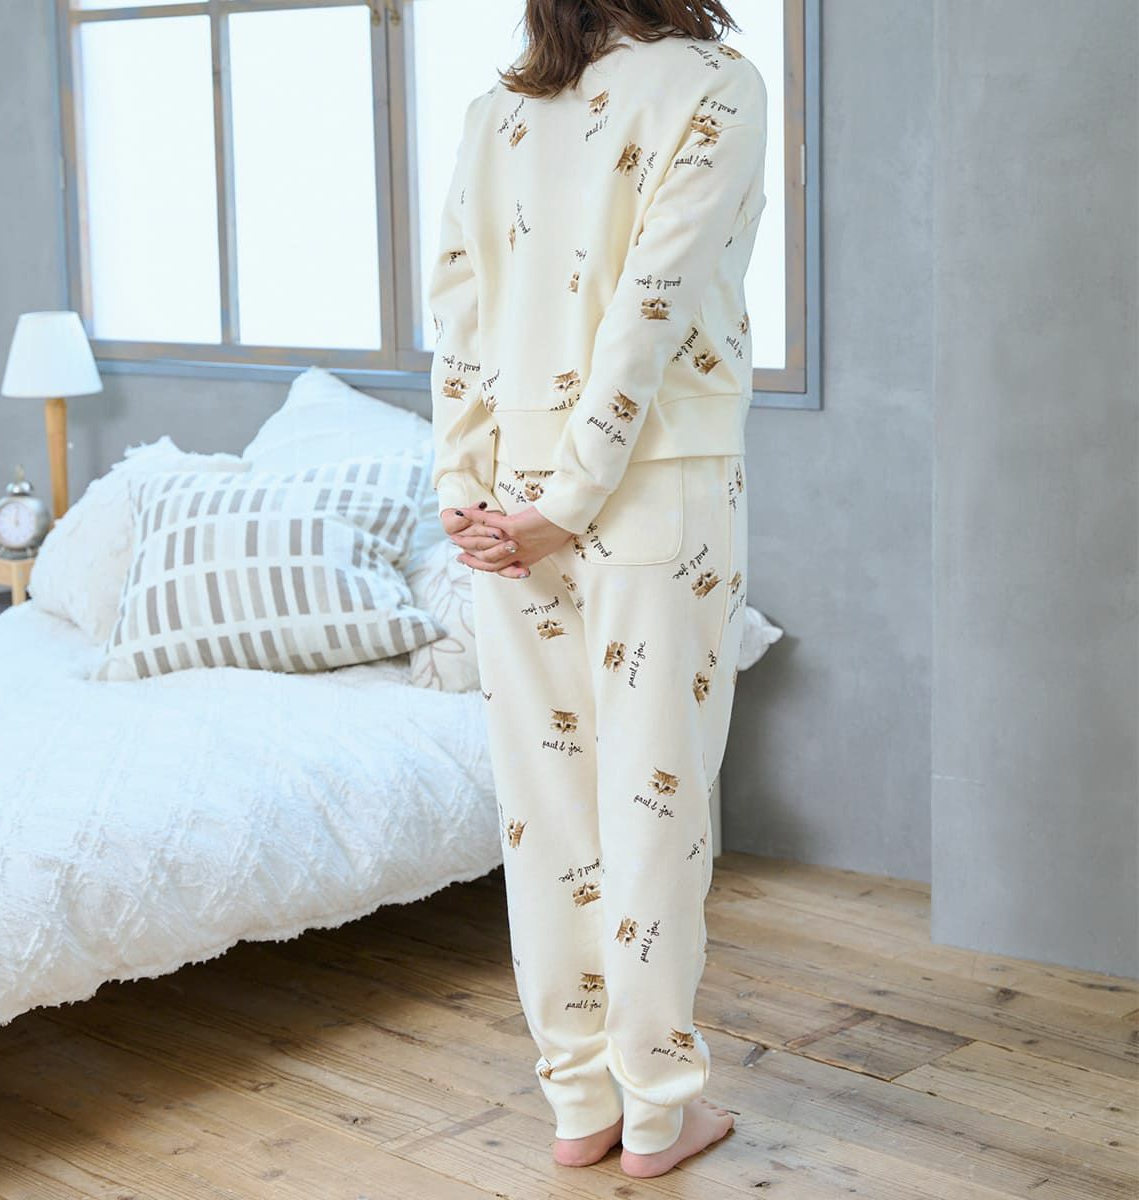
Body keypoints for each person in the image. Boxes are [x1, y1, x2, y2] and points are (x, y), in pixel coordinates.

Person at [427, 0, 767, 1180]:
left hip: (510, 498)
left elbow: (458, 313)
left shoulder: (498, 113)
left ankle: (579, 1103)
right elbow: (651, 308)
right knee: (652, 808)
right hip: (653, 491)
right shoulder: (714, 83)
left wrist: (467, 489)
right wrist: (570, 501)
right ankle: (658, 1113)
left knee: (547, 810)